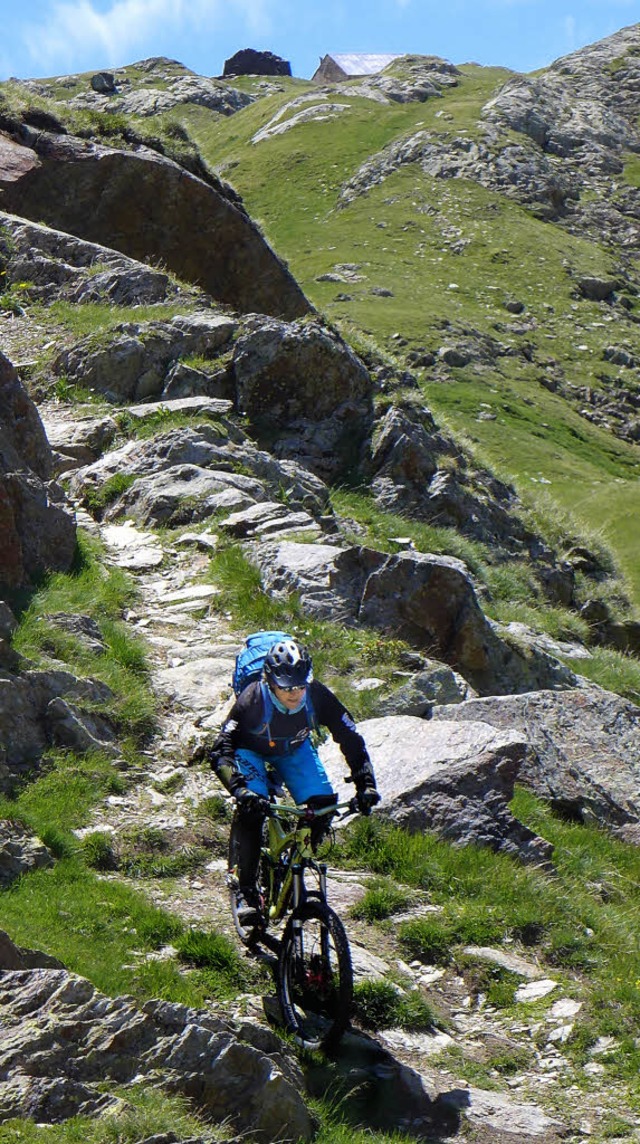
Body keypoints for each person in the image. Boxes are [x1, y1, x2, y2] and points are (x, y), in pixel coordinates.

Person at [207, 637, 380, 926]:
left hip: (293, 748)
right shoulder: (253, 698)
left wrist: (366, 784)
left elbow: (350, 737)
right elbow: (221, 747)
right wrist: (239, 789)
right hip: (250, 749)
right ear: (270, 680)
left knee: (322, 805)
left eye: (300, 685)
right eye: (287, 687)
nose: (295, 693)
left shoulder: (317, 696)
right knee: (253, 808)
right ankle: (246, 892)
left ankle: (291, 868)